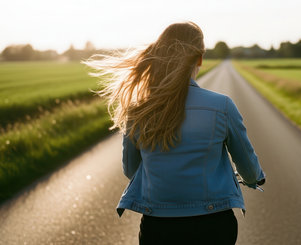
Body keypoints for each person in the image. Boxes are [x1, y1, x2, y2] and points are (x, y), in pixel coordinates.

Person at [85, 21, 265, 245]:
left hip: (158, 225)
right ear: (199, 58)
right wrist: (254, 178)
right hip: (214, 223)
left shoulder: (139, 109)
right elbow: (247, 166)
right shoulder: (222, 106)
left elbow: (131, 169)